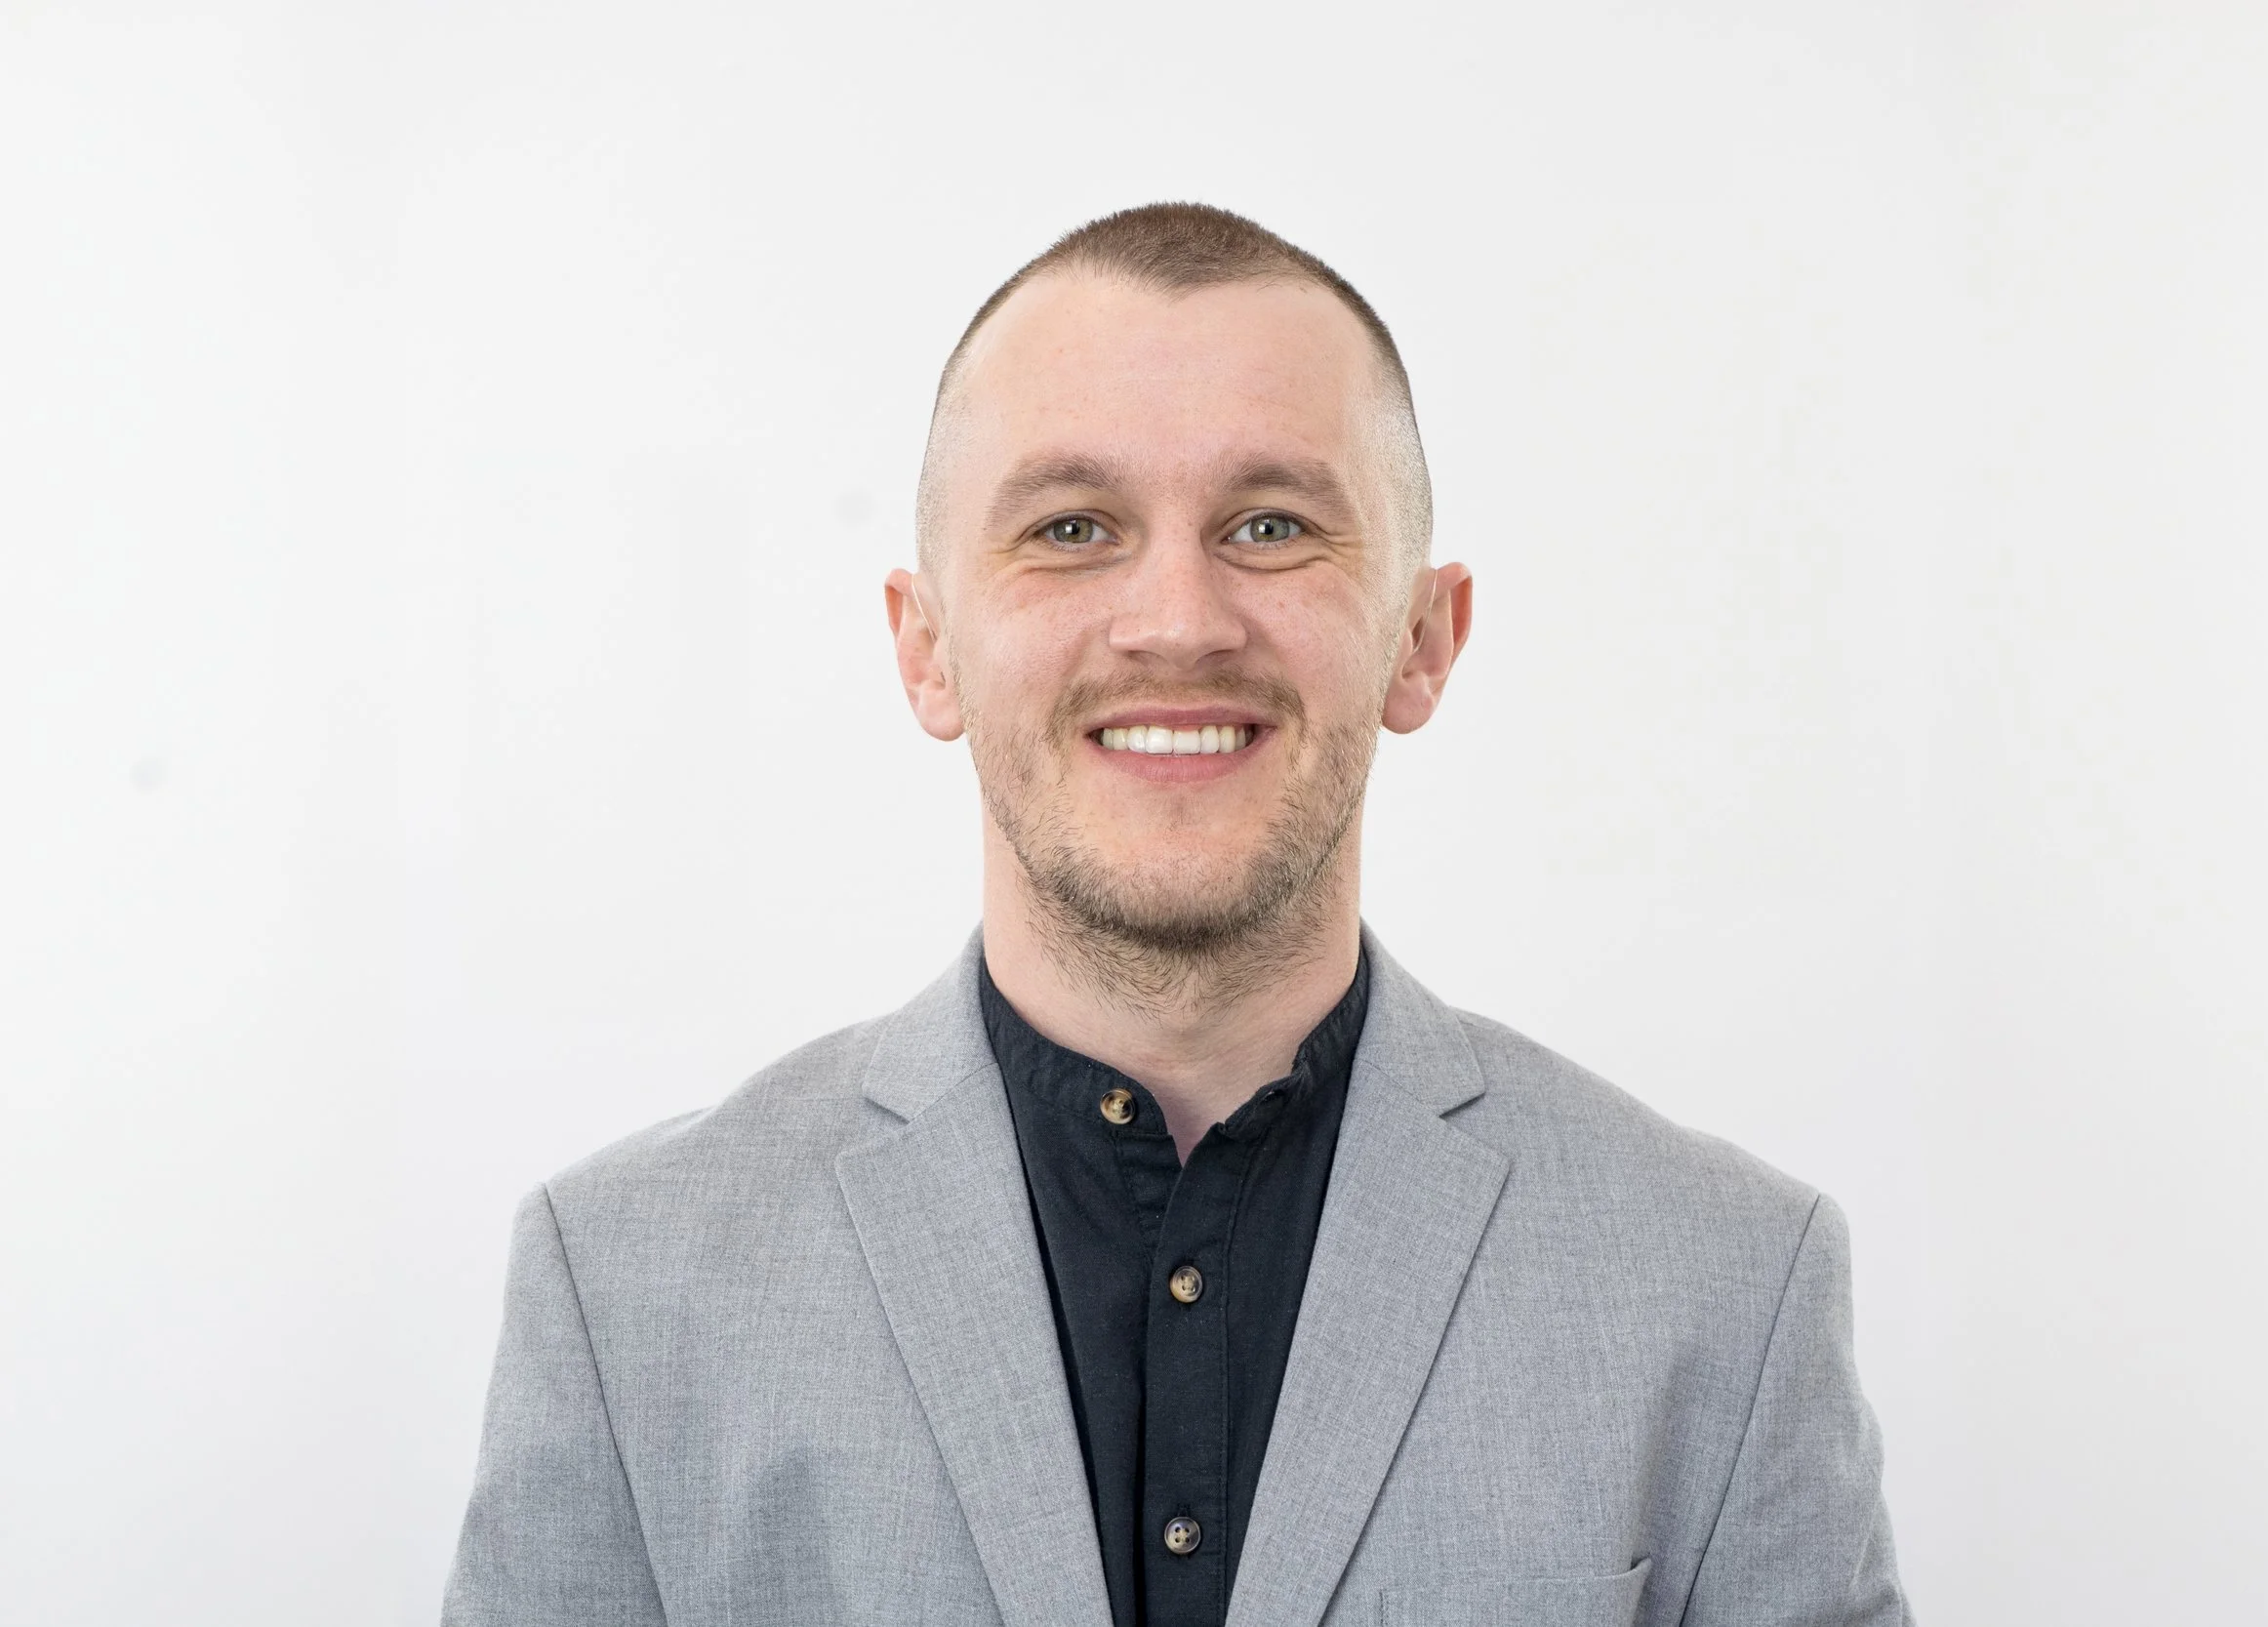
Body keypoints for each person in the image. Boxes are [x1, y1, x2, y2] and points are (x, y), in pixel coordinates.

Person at [443, 202, 1911, 1627]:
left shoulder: (1731, 1285)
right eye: (1073, 527)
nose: (1178, 622)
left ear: (1422, 639)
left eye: (1271, 525)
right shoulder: (623, 1288)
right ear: (927, 649)